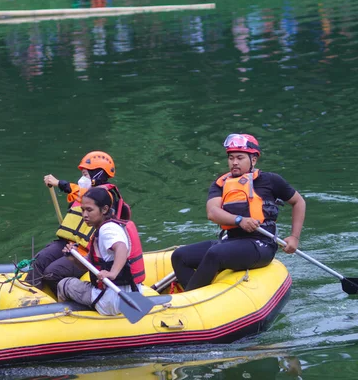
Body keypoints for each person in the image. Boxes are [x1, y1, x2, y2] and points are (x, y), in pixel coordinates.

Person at [171, 133, 306, 291]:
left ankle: (189, 297)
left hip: (261, 244)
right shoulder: (220, 184)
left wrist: (294, 237)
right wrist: (239, 220)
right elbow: (213, 212)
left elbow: (298, 202)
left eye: (240, 158)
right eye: (231, 158)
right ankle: (197, 295)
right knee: (179, 256)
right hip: (231, 241)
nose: (234, 162)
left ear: (253, 159)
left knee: (215, 253)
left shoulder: (270, 180)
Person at [24, 151, 130, 295]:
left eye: (86, 174)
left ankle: (64, 303)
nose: (82, 179)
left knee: (52, 272)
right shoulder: (86, 196)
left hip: (88, 251)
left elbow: (79, 192)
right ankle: (29, 296)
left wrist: (59, 183)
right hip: (70, 244)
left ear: (97, 175)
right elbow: (78, 196)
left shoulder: (106, 197)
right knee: (40, 259)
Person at [57, 187, 145, 315]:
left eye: (89, 210)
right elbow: (91, 265)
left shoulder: (107, 230)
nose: (84, 215)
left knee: (64, 284)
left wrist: (112, 273)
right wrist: (73, 257)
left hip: (111, 301)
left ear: (104, 209)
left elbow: (121, 248)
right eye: (82, 210)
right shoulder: (113, 225)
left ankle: (64, 322)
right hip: (131, 295)